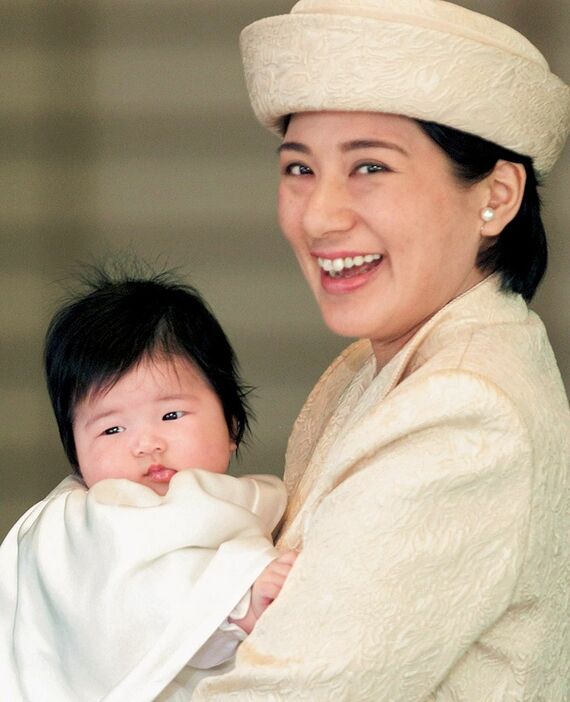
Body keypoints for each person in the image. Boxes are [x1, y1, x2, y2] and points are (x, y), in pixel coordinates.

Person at [193, 0, 570, 699]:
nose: (320, 215)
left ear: (496, 194)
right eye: (299, 169)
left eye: (370, 167)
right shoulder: (394, 361)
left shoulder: (465, 412)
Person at [0, 265, 296, 702]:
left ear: (232, 423)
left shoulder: (245, 498)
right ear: (76, 453)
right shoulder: (84, 521)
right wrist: (237, 604)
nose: (146, 444)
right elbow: (136, 601)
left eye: (171, 415)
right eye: (111, 430)